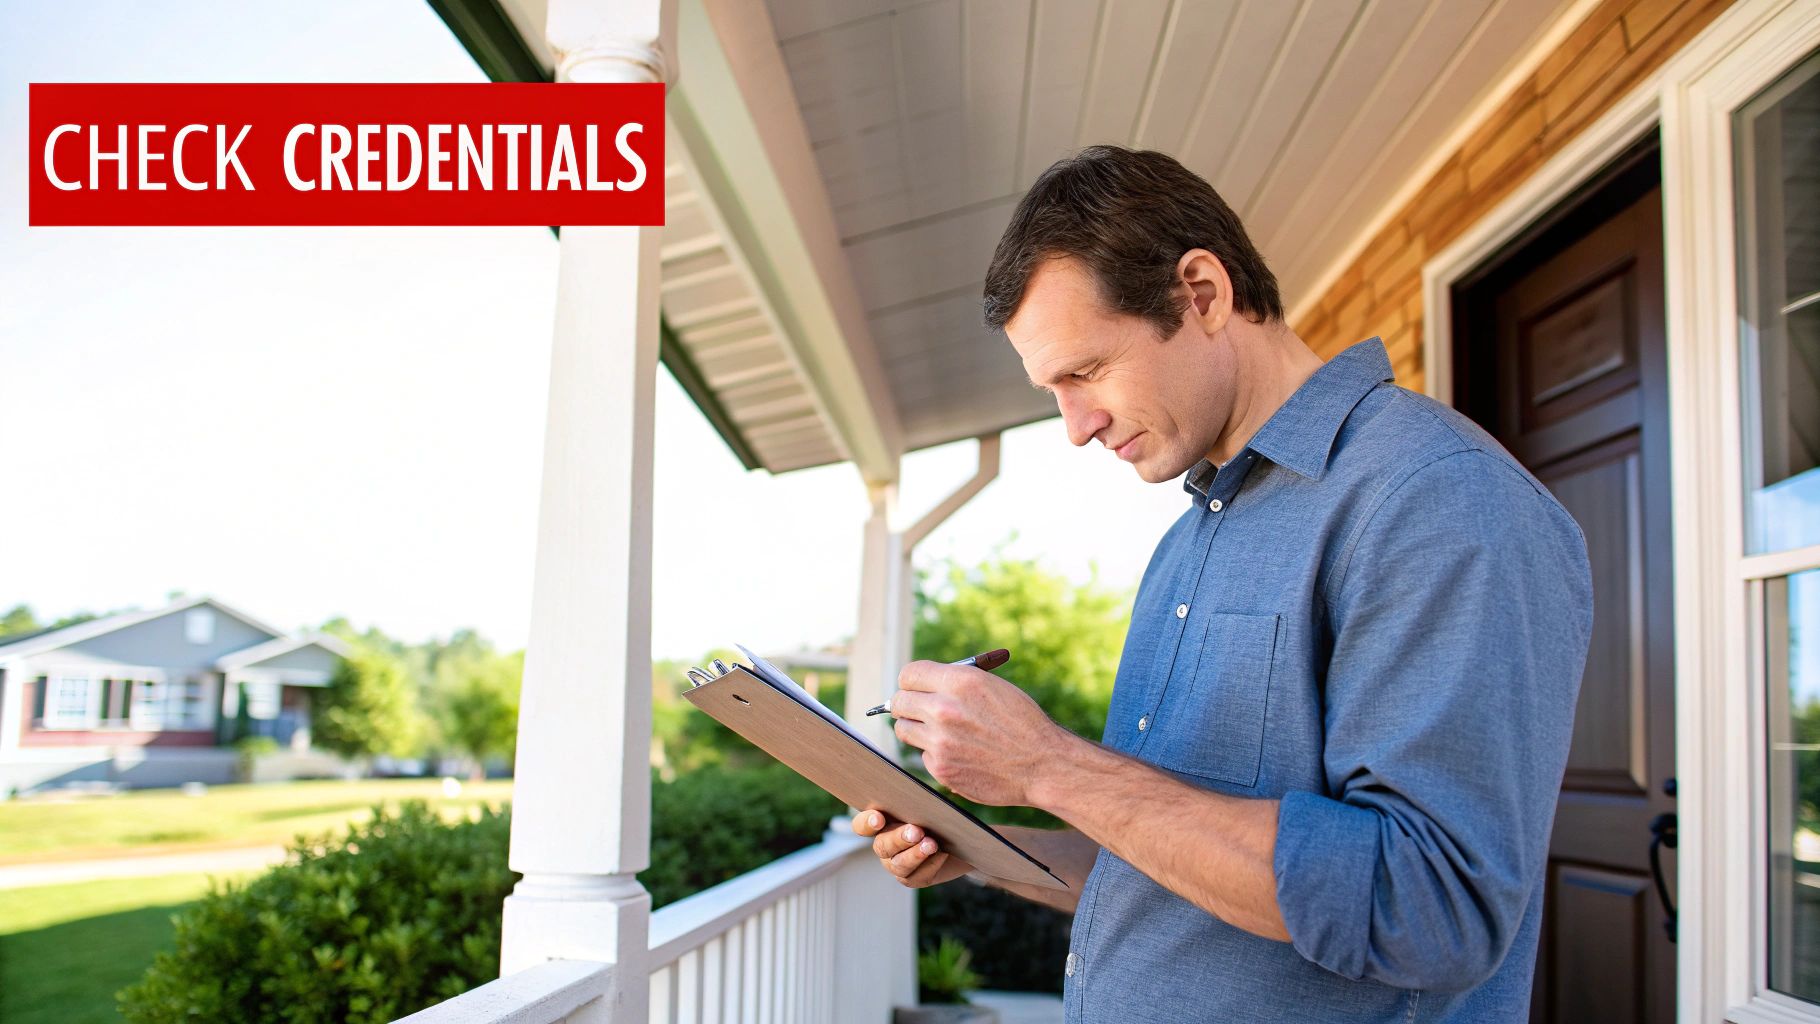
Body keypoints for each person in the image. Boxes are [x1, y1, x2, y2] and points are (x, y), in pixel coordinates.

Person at [852, 145, 1594, 1023]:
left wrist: (1049, 764)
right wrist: (982, 842)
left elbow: (1430, 908)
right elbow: (1166, 863)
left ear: (1200, 293)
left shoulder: (1438, 496)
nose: (1075, 427)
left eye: (1084, 373)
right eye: (1052, 390)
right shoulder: (1191, 539)